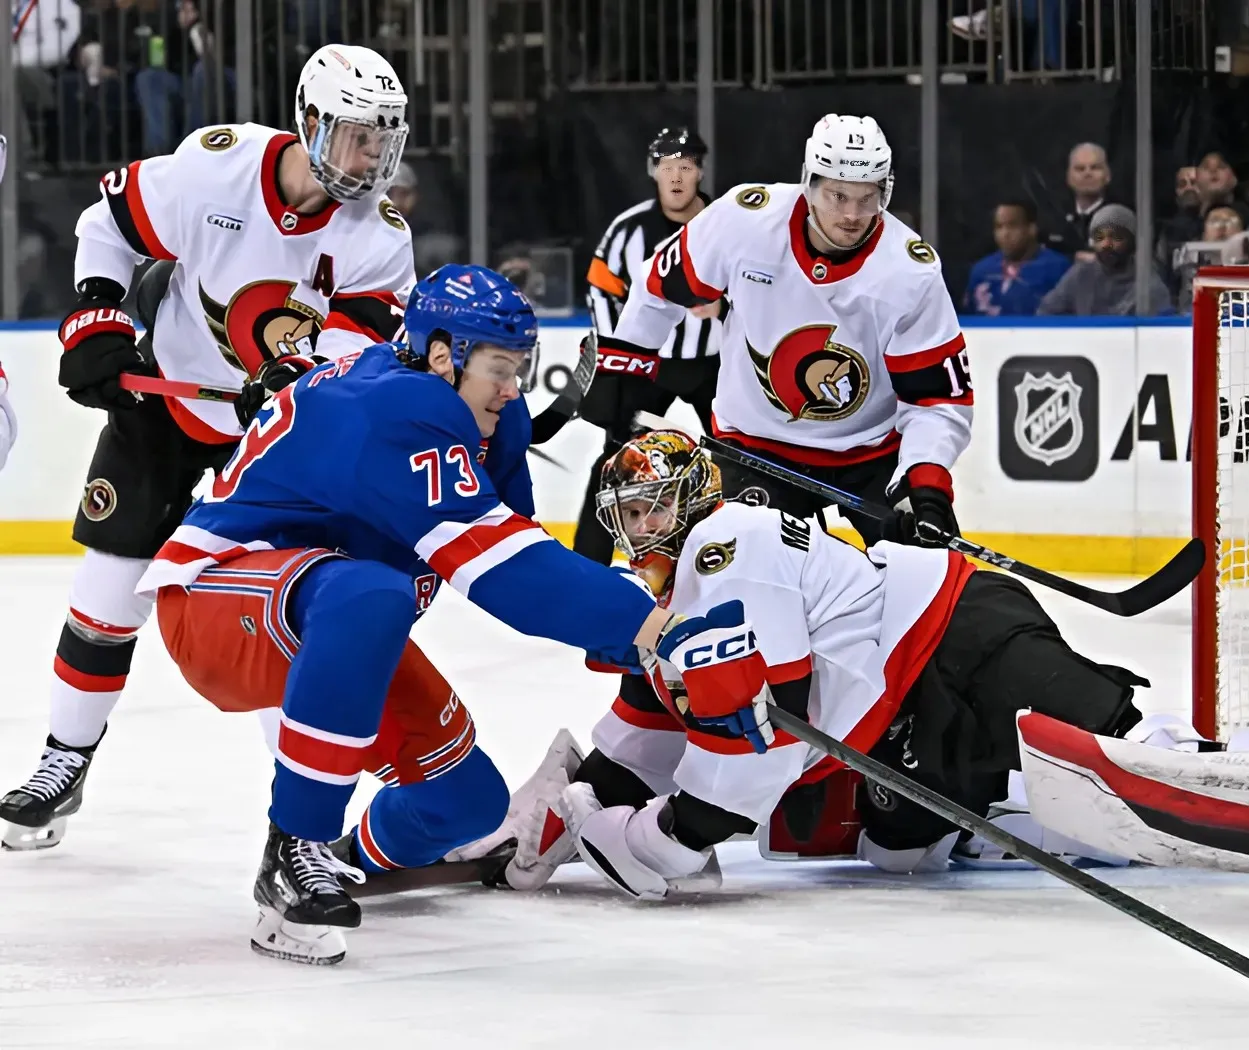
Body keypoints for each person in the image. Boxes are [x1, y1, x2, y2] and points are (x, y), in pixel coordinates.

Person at [478, 429, 1249, 928]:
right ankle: (1082, 820)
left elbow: (757, 742)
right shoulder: (683, 592)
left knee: (1133, 763)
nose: (639, 530)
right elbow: (646, 727)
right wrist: (557, 811)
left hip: (961, 634)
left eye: (655, 508)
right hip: (904, 697)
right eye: (627, 514)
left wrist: (643, 839)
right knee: (892, 847)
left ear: (691, 503)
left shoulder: (724, 545)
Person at [132, 264, 676, 965]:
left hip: (345, 624)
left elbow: (522, 544)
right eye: (501, 367)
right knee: (372, 593)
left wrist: (636, 642)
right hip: (219, 605)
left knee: (468, 803)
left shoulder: (491, 415)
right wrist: (647, 626)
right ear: (444, 354)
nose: (514, 388)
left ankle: (342, 857)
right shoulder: (396, 406)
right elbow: (508, 575)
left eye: (521, 369)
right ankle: (291, 851)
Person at [0, 44, 419, 853]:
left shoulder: (379, 237)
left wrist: (298, 376)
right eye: (357, 136)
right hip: (166, 412)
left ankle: (304, 828)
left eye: (382, 140)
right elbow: (109, 227)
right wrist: (98, 316)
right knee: (106, 596)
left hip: (273, 444)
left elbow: (356, 344)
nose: (372, 158)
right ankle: (64, 762)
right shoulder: (216, 168)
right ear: (309, 122)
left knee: (270, 621)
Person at [600, 113, 971, 553]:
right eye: (837, 195)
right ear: (809, 184)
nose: (852, 215)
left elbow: (937, 401)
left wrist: (926, 480)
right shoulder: (744, 222)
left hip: (871, 455)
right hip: (756, 449)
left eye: (867, 198)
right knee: (740, 585)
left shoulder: (910, 270)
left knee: (930, 576)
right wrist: (624, 370)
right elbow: (656, 288)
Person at [574, 127, 723, 566]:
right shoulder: (629, 229)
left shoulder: (727, 223)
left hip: (715, 366)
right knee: (616, 459)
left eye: (687, 167)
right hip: (647, 367)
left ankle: (745, 553)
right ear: (653, 171)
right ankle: (588, 562)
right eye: (667, 168)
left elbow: (764, 289)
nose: (676, 178)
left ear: (700, 171)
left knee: (744, 459)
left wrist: (727, 307)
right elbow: (600, 288)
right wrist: (616, 353)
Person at [1036, 204, 1171, 317]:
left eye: (1116, 237)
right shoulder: (1080, 275)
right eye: (1099, 238)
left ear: (1133, 242)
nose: (1106, 244)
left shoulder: (1149, 285)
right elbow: (1045, 314)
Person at [960, 200, 1070, 316]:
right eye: (999, 227)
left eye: (1012, 226)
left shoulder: (1058, 268)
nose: (1005, 234)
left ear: (1031, 229)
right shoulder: (981, 270)